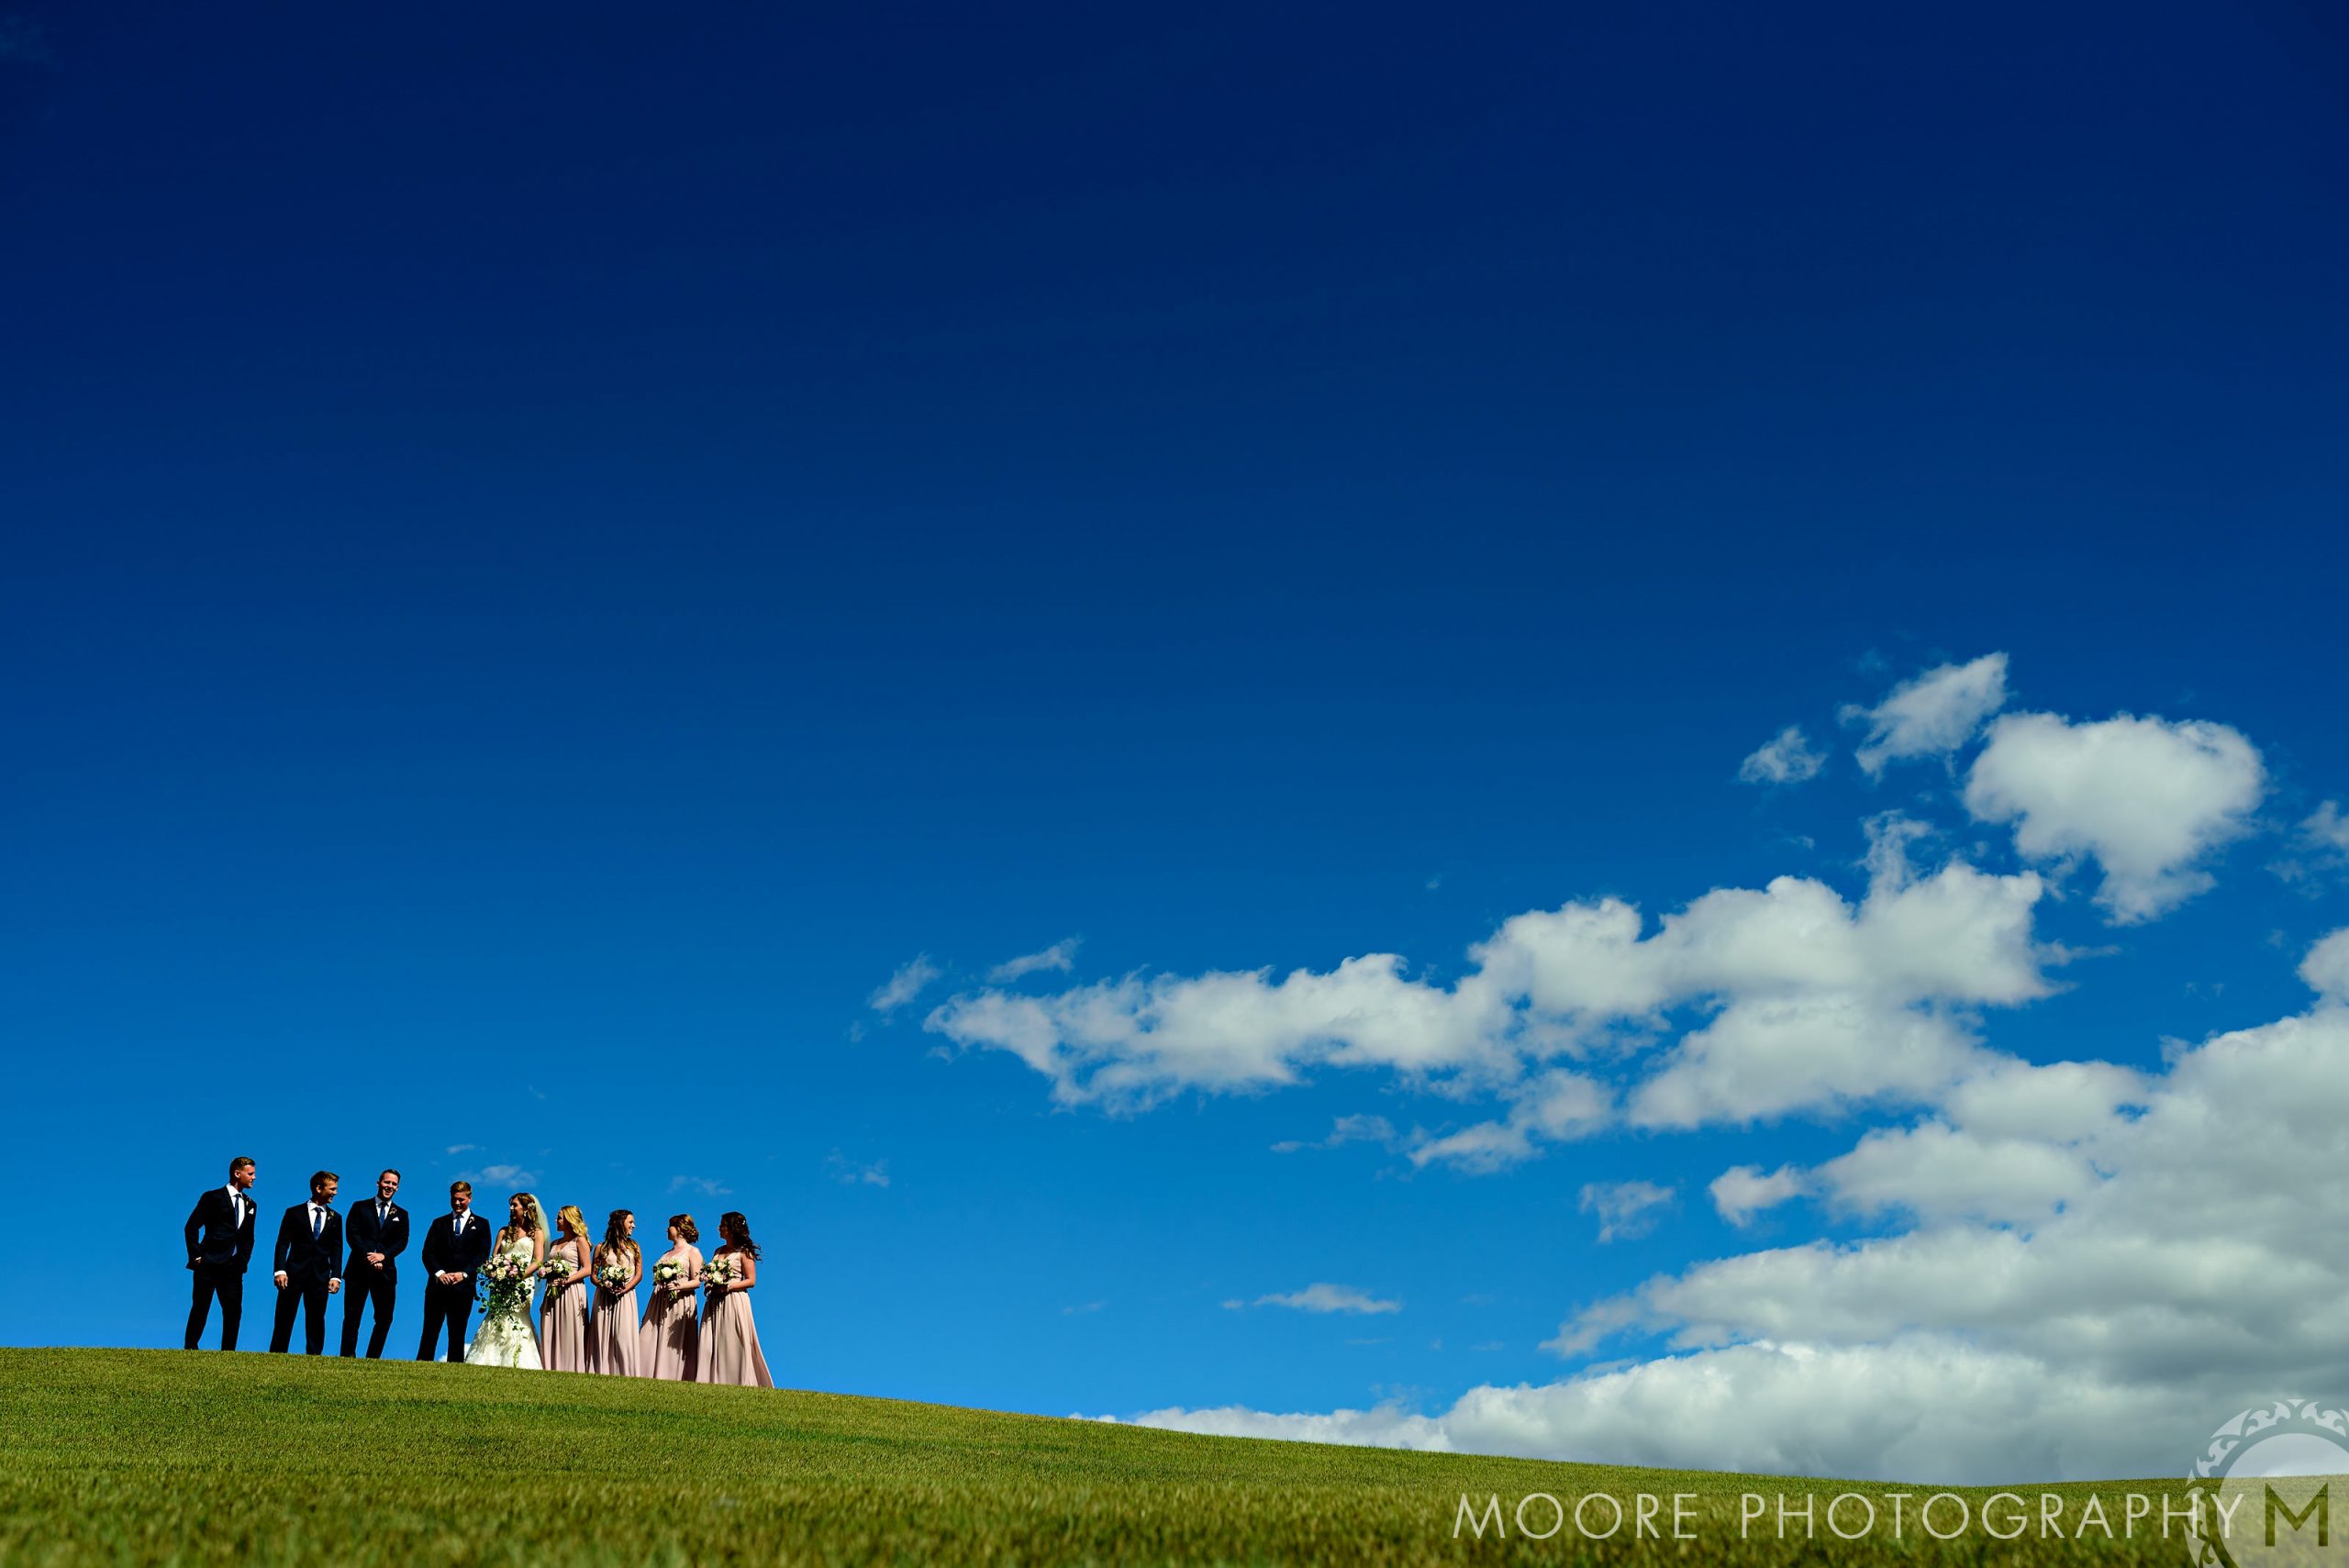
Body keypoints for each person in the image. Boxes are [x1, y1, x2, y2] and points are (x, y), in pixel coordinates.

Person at [183, 1156, 259, 1351]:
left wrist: (242, 1261)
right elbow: (191, 1226)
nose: (254, 1177)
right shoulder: (212, 1197)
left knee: (234, 1312)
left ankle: (228, 1353)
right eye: (250, 1173)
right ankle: (190, 1348)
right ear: (237, 1173)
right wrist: (196, 1256)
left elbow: (248, 1237)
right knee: (200, 1308)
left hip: (233, 1267)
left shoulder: (251, 1205)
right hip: (208, 1263)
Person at [465, 1192, 547, 1369]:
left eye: (515, 1205)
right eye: (511, 1205)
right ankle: (489, 1359)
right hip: (501, 1281)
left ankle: (518, 1360)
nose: (511, 1208)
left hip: (523, 1283)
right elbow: (494, 1256)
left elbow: (538, 1260)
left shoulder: (536, 1233)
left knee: (518, 1316)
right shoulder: (504, 1231)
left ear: (526, 1209)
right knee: (496, 1314)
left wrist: (519, 1275)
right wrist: (495, 1271)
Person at [416, 1180, 494, 1362]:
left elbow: (482, 1255)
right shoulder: (439, 1223)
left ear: (470, 1198)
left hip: (463, 1288)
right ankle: (422, 1364)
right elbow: (428, 1253)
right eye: (454, 1199)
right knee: (430, 1330)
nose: (457, 1203)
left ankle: (455, 1367)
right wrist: (439, 1273)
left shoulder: (482, 1224)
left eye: (461, 1200)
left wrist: (464, 1274)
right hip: (437, 1287)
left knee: (457, 1332)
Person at [269, 1171, 343, 1354]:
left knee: (316, 1320)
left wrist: (336, 1276)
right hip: (292, 1275)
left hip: (320, 1277)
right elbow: (282, 1243)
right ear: (318, 1188)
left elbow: (337, 1250)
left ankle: (314, 1357)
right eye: (332, 1189)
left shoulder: (336, 1218)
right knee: (284, 1318)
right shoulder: (293, 1213)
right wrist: (280, 1270)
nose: (335, 1193)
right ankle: (276, 1355)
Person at [697, 1210, 773, 1388]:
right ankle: (711, 1380)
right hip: (715, 1300)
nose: (718, 1228)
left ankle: (737, 1380)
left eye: (722, 1225)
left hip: (734, 1300)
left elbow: (751, 1281)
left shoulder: (744, 1252)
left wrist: (728, 1287)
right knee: (712, 1341)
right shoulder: (718, 1251)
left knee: (732, 1340)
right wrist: (709, 1284)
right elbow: (711, 1274)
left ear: (731, 1229)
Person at [340, 1169, 408, 1359]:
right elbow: (352, 1234)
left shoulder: (402, 1214)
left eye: (394, 1184)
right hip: (358, 1270)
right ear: (378, 1183)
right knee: (352, 1316)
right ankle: (347, 1356)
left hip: (386, 1273)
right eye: (387, 1182)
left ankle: (373, 1358)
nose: (390, 1186)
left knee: (384, 1318)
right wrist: (369, 1257)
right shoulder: (359, 1207)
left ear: (398, 1187)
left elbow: (402, 1241)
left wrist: (383, 1256)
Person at [638, 1213, 701, 1381]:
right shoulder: (666, 1254)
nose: (667, 1229)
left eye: (670, 1226)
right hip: (659, 1300)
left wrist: (678, 1286)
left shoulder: (693, 1252)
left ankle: (672, 1376)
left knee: (672, 1340)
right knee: (646, 1336)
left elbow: (697, 1282)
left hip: (679, 1301)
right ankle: (644, 1374)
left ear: (679, 1229)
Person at [586, 1209, 641, 1376]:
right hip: (604, 1297)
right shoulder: (601, 1247)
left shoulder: (634, 1247)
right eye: (630, 1222)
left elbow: (639, 1274)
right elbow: (593, 1275)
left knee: (623, 1335)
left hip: (626, 1295)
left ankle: (626, 1373)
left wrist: (626, 1288)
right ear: (620, 1223)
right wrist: (604, 1285)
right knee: (602, 1334)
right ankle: (600, 1371)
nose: (633, 1225)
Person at [538, 1204, 592, 1373]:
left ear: (569, 1220)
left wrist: (566, 1281)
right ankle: (550, 1367)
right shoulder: (554, 1243)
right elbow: (547, 1264)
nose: (556, 1220)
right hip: (552, 1291)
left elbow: (587, 1269)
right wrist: (545, 1271)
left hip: (571, 1290)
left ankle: (571, 1369)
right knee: (550, 1327)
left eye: (559, 1218)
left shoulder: (580, 1240)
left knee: (569, 1329)